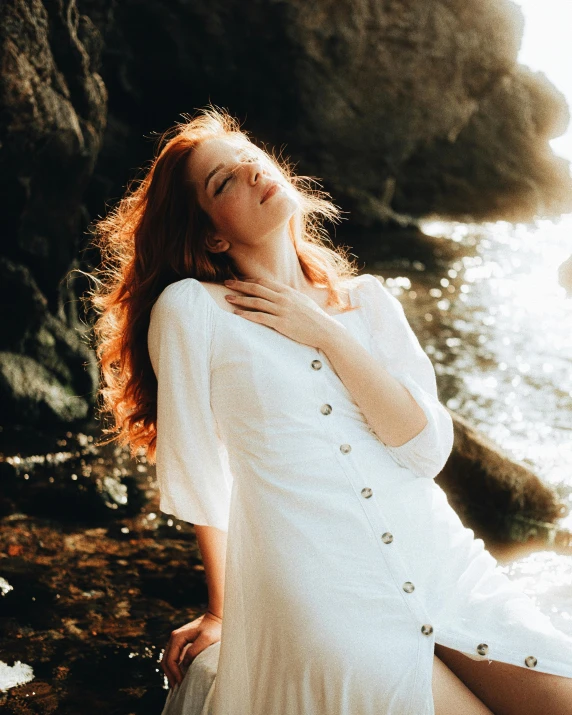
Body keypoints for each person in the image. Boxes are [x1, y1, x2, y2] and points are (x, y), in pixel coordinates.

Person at [88, 107, 572, 714]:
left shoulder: (369, 303)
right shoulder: (193, 310)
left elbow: (423, 451)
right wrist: (222, 610)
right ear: (213, 234)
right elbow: (199, 479)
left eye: (250, 158)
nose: (251, 172)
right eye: (224, 182)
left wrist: (328, 334)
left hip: (443, 560)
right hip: (323, 589)